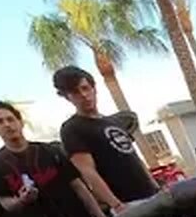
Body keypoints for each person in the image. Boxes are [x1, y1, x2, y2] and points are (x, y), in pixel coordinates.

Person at [55, 65, 158, 208]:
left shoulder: (113, 121)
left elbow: (133, 157)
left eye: (85, 88)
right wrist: (116, 204)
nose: (84, 95)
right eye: (75, 92)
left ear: (94, 88)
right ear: (67, 97)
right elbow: (87, 171)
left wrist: (155, 185)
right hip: (127, 203)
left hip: (152, 195)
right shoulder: (72, 128)